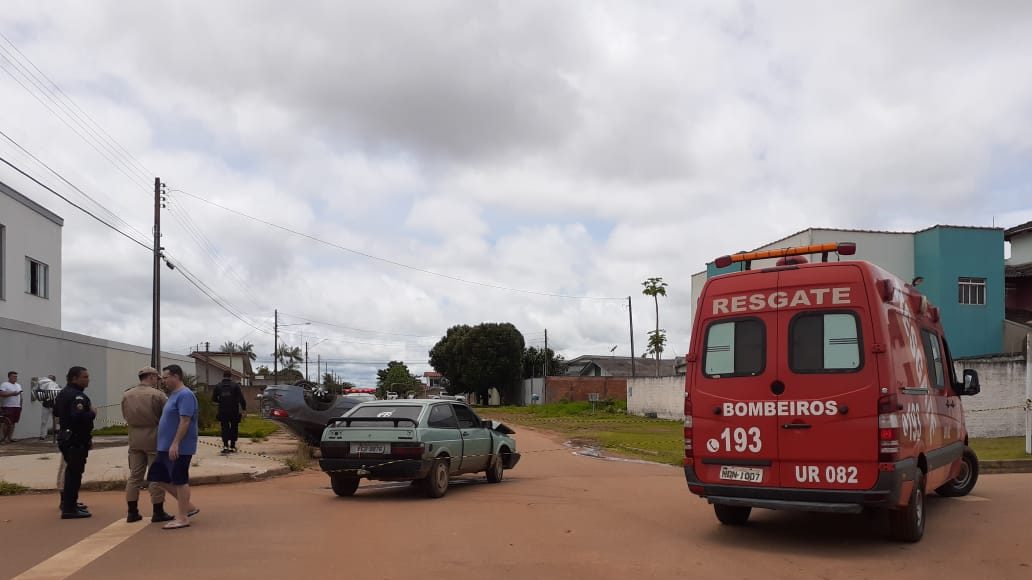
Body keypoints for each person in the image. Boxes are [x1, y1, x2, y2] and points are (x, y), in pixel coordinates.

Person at [147, 364, 200, 530]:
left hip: (179, 447)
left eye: (166, 377)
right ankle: (188, 506)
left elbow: (185, 421)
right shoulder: (173, 395)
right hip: (165, 446)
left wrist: (176, 443)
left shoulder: (185, 395)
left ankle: (183, 517)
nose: (163, 381)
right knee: (157, 475)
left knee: (179, 479)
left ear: (176, 376)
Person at [122, 367, 174, 523]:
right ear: (151, 377)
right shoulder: (158, 395)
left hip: (134, 437)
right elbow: (167, 416)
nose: (158, 381)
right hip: (154, 436)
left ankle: (132, 512)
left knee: (134, 476)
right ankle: (158, 511)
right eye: (157, 378)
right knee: (156, 475)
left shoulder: (127, 394)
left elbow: (125, 415)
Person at [53, 366, 95, 519]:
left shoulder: (63, 393)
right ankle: (69, 508)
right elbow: (78, 417)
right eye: (84, 377)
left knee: (72, 472)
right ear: (74, 378)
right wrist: (92, 413)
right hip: (75, 439)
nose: (88, 379)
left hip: (67, 436)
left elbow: (56, 412)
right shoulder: (77, 396)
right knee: (74, 474)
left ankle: (71, 503)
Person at [212, 371, 247, 453]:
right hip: (234, 410)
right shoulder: (235, 386)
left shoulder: (218, 386)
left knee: (224, 427)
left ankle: (225, 446)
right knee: (234, 427)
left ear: (223, 376)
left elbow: (213, 399)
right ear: (231, 376)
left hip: (223, 410)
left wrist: (221, 401)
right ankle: (232, 446)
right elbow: (241, 399)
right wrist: (244, 409)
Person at [33, 375, 62, 441]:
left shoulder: (57, 387)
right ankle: (42, 436)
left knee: (57, 421)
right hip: (45, 406)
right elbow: (38, 395)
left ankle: (58, 435)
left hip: (54, 406)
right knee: (44, 421)